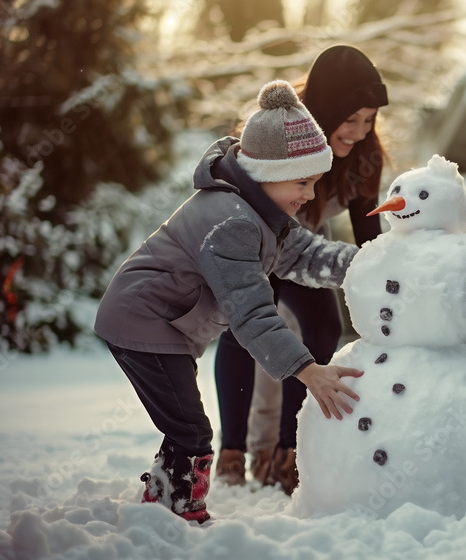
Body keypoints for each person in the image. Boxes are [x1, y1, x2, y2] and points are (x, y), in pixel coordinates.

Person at [94, 80, 363, 523]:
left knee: (184, 423)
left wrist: (372, 263)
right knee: (191, 428)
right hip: (142, 321)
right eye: (303, 181)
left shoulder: (262, 212)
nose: (311, 194)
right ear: (267, 173)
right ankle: (178, 511)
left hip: (164, 326)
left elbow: (310, 254)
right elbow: (251, 311)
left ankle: (163, 503)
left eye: (315, 181)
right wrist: (306, 369)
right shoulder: (231, 222)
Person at [213, 45, 388, 494]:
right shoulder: (284, 134)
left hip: (301, 248)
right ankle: (231, 451)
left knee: (323, 326)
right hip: (255, 242)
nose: (360, 131)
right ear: (326, 109)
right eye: (351, 119)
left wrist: (385, 275)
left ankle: (288, 449)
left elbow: (367, 234)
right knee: (245, 328)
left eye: (369, 119)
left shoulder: (363, 158)